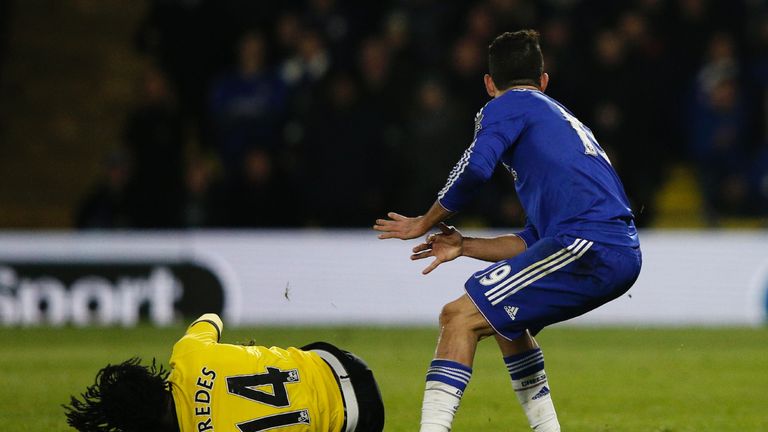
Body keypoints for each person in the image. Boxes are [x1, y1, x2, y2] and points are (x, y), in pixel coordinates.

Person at [374, 30, 641, 432]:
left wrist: (425, 221)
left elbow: (475, 168)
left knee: (457, 317)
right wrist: (464, 244)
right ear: (544, 80)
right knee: (505, 320)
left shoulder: (508, 104)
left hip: (590, 243)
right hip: (608, 247)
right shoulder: (556, 122)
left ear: (489, 84)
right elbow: (534, 242)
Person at [64, 313, 384, 432]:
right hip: (340, 362)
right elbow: (211, 318)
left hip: (357, 422)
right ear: (150, 378)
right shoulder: (188, 354)